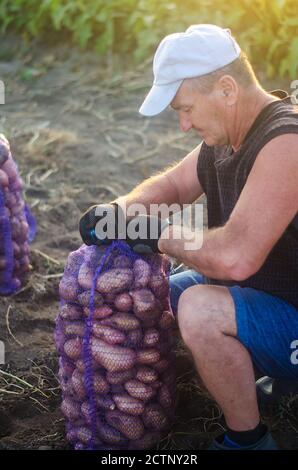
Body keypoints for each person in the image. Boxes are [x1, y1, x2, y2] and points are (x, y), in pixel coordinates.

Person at [79, 24, 298, 450]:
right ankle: (248, 375)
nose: (182, 125)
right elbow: (172, 188)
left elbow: (235, 258)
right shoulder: (231, 133)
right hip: (275, 297)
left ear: (227, 90)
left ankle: (250, 440)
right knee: (163, 291)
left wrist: (159, 233)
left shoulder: (287, 143)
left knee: (200, 308)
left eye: (186, 109)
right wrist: (120, 212)